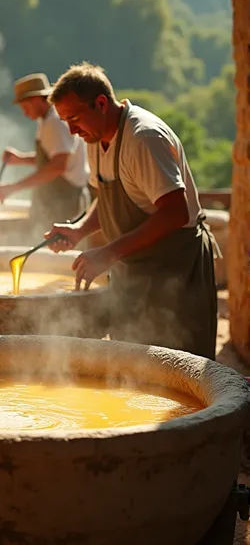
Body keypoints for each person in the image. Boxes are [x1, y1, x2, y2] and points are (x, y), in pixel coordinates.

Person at [46, 62, 218, 360]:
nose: (72, 131)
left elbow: (175, 212)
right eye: (65, 123)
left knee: (177, 368)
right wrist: (79, 229)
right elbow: (111, 197)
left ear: (101, 103)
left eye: (74, 119)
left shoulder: (144, 138)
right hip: (134, 268)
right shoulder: (95, 137)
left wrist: (109, 252)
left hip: (174, 270)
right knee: (133, 365)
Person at [0, 73, 89, 235]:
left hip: (64, 202)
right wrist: (20, 159)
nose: (24, 113)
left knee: (57, 257)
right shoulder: (46, 120)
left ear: (36, 99)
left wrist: (13, 188)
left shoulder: (55, 122)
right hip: (55, 200)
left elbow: (58, 166)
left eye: (25, 107)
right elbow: (52, 158)